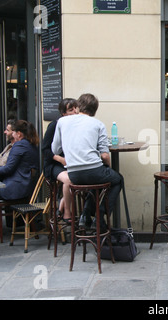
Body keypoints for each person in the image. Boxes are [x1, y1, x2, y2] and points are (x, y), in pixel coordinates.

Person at [51, 93, 122, 228]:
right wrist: (108, 168)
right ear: (95, 109)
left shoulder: (62, 122)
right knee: (117, 179)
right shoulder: (98, 124)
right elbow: (105, 156)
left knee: (94, 185)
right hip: (94, 170)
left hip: (74, 174)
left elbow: (55, 149)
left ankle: (85, 215)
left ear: (78, 106)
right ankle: (100, 215)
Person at [0, 120, 40, 240]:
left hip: (13, 189)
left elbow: (8, 168)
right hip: (24, 188)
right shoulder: (31, 144)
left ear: (19, 134)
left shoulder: (19, 145)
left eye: (13, 132)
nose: (12, 135)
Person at [42, 99, 79, 222]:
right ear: (63, 114)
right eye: (70, 110)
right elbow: (45, 149)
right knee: (69, 179)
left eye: (76, 108)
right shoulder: (54, 125)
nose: (75, 111)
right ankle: (67, 214)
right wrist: (61, 159)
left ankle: (62, 203)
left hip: (71, 163)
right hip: (54, 164)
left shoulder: (79, 125)